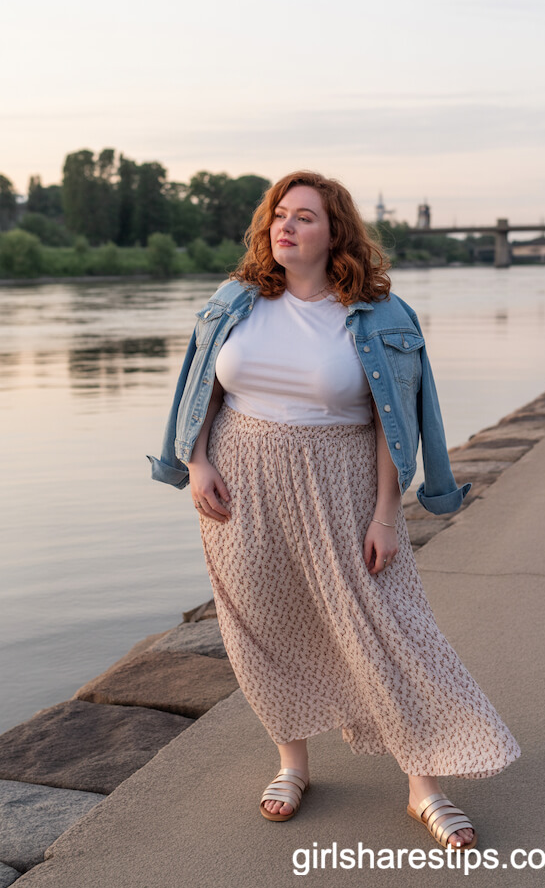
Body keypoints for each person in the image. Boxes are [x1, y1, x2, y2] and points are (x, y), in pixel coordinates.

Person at [147, 170, 521, 851]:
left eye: (304, 217)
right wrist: (197, 461)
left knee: (388, 631)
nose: (285, 226)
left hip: (341, 484)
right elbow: (204, 388)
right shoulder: (235, 300)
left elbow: (392, 421)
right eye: (277, 216)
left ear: (335, 232)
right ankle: (292, 764)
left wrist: (387, 514)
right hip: (240, 487)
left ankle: (424, 785)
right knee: (261, 627)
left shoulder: (381, 314)